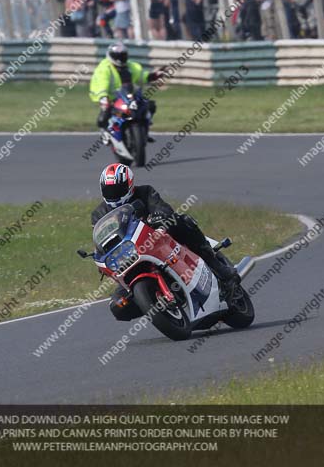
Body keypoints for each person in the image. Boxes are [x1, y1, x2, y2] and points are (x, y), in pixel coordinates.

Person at [92, 163, 241, 321]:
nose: (113, 194)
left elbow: (163, 208)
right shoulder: (99, 214)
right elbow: (102, 237)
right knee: (118, 306)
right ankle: (154, 303)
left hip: (159, 238)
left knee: (183, 221)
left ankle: (217, 266)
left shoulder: (145, 192)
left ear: (130, 184)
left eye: (117, 189)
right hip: (130, 255)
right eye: (109, 190)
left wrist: (159, 216)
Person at [89, 42, 164, 143]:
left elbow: (141, 77)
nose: (120, 58)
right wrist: (103, 98)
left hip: (128, 96)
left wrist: (154, 76)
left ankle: (144, 133)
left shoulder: (131, 66)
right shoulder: (104, 69)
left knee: (149, 106)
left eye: (122, 55)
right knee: (103, 118)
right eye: (117, 56)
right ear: (111, 55)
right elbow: (102, 85)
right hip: (111, 98)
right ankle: (106, 134)